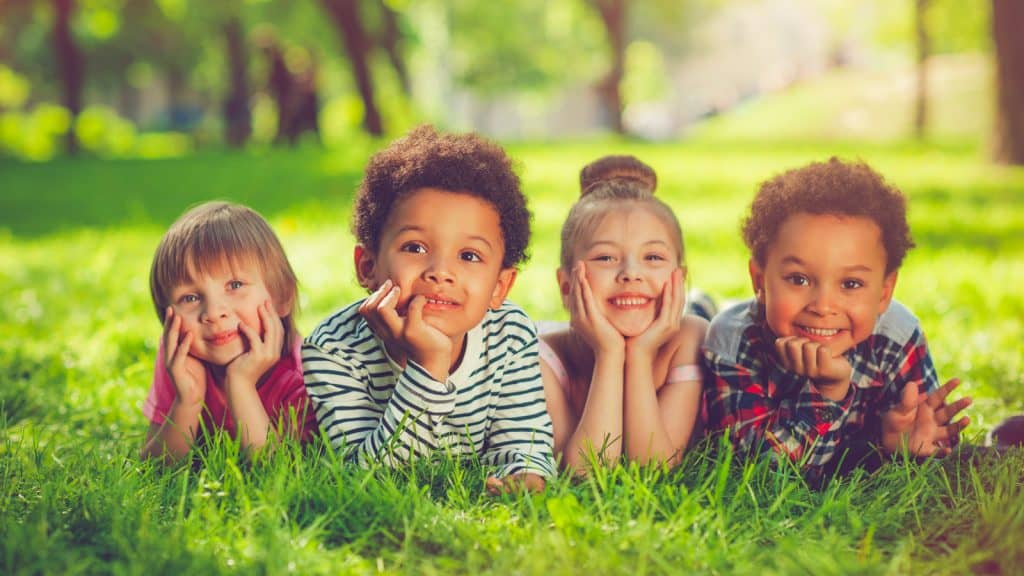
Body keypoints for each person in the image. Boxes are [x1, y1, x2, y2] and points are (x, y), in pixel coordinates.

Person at [302, 126, 555, 494]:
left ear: (500, 287)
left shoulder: (509, 333)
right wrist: (429, 366)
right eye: (415, 248)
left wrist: (526, 475)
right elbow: (365, 478)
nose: (440, 272)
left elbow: (523, 443)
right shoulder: (334, 351)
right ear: (367, 266)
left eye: (469, 256)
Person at [703, 158, 972, 484]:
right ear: (759, 279)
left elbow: (927, 439)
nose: (823, 306)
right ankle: (701, 303)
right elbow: (759, 473)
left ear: (884, 292)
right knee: (696, 320)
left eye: (851, 284)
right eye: (799, 279)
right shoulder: (733, 343)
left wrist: (898, 448)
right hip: (724, 322)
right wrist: (827, 394)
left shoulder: (897, 337)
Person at [538, 173, 708, 472]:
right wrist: (610, 354)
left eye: (653, 257)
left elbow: (654, 466)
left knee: (705, 312)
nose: (631, 273)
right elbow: (585, 471)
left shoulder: (691, 336)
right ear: (566, 287)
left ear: (680, 279)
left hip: (695, 314)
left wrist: (639, 356)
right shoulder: (540, 358)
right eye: (605, 258)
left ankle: (700, 299)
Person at [141, 202, 317, 463]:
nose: (213, 312)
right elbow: (155, 467)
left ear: (282, 296)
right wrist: (187, 400)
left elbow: (274, 467)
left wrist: (241, 383)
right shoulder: (180, 359)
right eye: (189, 298)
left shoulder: (304, 373)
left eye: (234, 285)